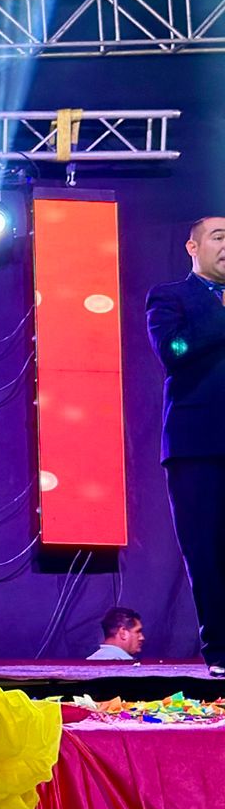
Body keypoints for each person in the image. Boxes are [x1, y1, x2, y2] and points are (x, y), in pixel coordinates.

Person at [147, 215, 225, 678]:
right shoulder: (171, 297)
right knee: (207, 549)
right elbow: (172, 352)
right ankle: (221, 650)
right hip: (198, 445)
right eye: (219, 236)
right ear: (192, 247)